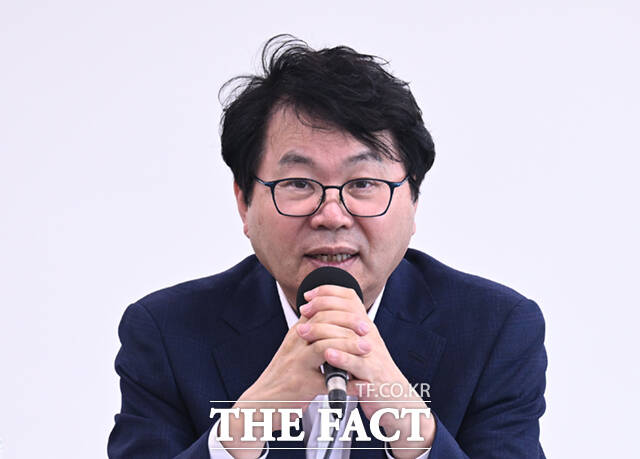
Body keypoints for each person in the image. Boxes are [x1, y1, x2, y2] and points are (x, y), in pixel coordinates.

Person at [108, 35, 547, 458]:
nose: (332, 215)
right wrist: (244, 427)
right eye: (299, 183)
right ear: (244, 201)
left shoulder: (494, 330)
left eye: (363, 183)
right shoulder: (166, 332)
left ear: (413, 199)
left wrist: (411, 427)